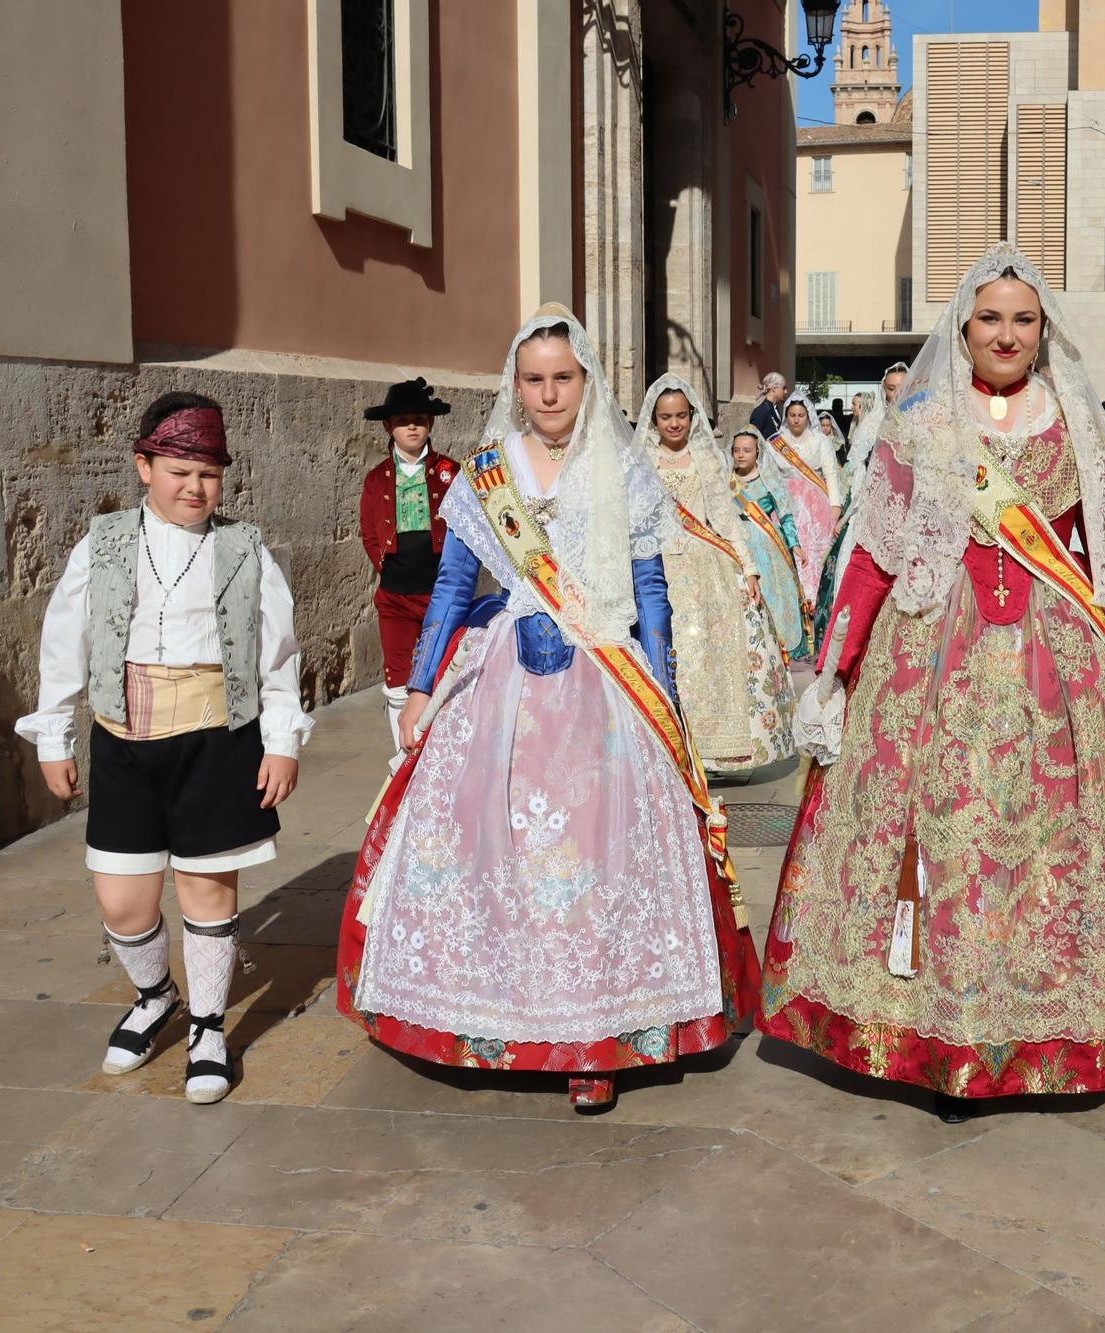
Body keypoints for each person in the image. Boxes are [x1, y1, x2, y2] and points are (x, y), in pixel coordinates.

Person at [760, 243, 1105, 1122]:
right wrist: (838, 666)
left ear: (1042, 330)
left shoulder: (1076, 418)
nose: (1006, 334)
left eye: (1022, 319)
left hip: (1058, 663)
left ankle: (1059, 1038)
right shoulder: (923, 420)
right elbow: (876, 555)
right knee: (943, 841)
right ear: (962, 329)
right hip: (930, 655)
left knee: (1056, 847)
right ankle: (947, 1040)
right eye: (989, 319)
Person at [336, 306, 761, 1113]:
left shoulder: (625, 469)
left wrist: (663, 696)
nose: (548, 391)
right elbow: (456, 588)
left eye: (562, 376)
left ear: (587, 379)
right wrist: (422, 686)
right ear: (515, 385)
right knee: (496, 846)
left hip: (604, 678)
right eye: (534, 378)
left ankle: (595, 1040)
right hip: (504, 679)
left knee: (598, 853)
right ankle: (486, 1016)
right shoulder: (488, 472)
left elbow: (650, 593)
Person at [16, 392, 313, 1105]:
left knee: (207, 891)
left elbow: (278, 654)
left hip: (217, 740)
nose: (195, 487)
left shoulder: (243, 549)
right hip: (125, 744)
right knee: (122, 899)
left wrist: (282, 742)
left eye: (209, 473)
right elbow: (66, 640)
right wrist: (53, 732)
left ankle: (208, 1027)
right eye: (179, 469)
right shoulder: (106, 542)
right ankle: (155, 996)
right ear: (143, 466)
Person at [635, 374, 797, 773]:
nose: (674, 424)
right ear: (653, 420)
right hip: (654, 567)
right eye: (665, 417)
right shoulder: (640, 461)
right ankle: (661, 740)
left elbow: (724, 516)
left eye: (681, 416)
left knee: (706, 655)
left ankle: (707, 750)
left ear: (692, 417)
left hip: (704, 566)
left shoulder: (705, 459)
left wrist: (750, 566)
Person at [358, 378, 459, 751]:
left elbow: (464, 527)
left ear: (430, 423)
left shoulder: (451, 471)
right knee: (399, 677)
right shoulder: (376, 479)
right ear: (389, 427)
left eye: (419, 418)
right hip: (396, 595)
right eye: (403, 420)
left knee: (445, 670)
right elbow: (369, 532)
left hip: (440, 592)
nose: (412, 427)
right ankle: (402, 756)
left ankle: (441, 750)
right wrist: (386, 567)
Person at [813, 362, 910, 644]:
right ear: (884, 392)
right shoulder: (874, 426)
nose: (897, 394)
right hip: (873, 512)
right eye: (891, 389)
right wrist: (845, 514)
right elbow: (857, 474)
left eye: (902, 387)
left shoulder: (928, 425)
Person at [728, 425, 811, 661]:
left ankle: (781, 643)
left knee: (773, 595)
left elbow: (785, 514)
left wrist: (794, 544)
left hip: (767, 545)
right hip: (738, 544)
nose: (741, 455)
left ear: (757, 453)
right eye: (736, 450)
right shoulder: (726, 481)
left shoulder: (768, 480)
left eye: (746, 450)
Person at [769, 394, 845, 615]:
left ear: (808, 416)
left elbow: (830, 473)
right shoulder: (775, 442)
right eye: (792, 415)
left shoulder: (820, 440)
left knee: (815, 552)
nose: (796, 420)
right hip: (785, 504)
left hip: (816, 505)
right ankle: (791, 599)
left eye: (800, 415)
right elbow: (770, 475)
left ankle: (814, 599)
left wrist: (835, 505)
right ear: (786, 416)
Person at [749, 371, 790, 440]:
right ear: (774, 388)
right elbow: (753, 437)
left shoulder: (775, 408)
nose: (786, 391)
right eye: (783, 388)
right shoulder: (761, 410)